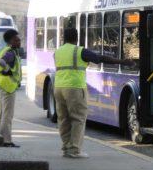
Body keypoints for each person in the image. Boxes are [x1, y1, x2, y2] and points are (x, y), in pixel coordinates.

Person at [53, 27, 125, 158]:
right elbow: (99, 58)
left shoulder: (58, 52)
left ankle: (66, 147)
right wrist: (121, 61)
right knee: (78, 118)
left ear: (64, 37)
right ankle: (74, 150)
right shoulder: (79, 51)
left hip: (58, 87)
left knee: (63, 119)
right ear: (76, 37)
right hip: (74, 88)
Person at [0, 29, 22, 147]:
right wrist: (8, 70)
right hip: (8, 86)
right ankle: (6, 140)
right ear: (10, 41)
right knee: (7, 115)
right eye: (16, 40)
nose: (19, 41)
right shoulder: (10, 52)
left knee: (1, 114)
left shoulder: (9, 50)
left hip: (2, 84)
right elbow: (1, 61)